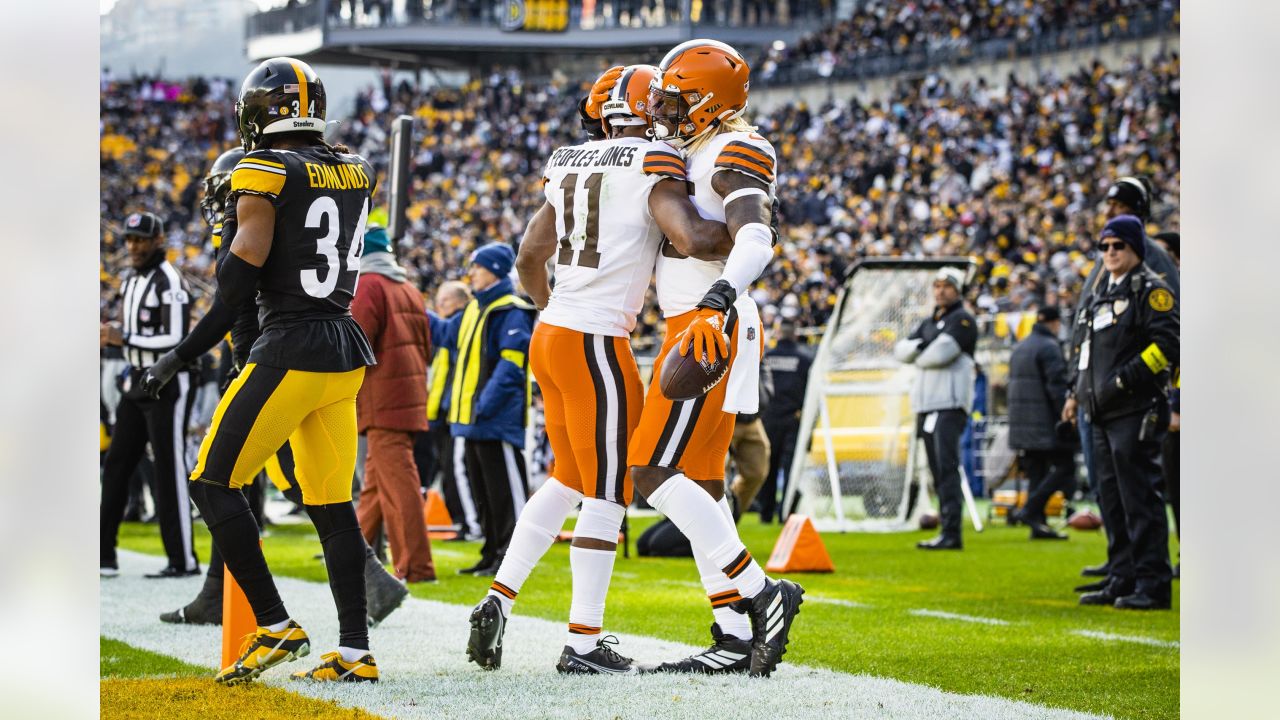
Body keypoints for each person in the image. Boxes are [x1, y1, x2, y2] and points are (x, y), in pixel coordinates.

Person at [465, 64, 734, 675]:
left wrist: (555, 306)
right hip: (594, 342)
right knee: (609, 490)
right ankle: (583, 641)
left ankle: (497, 598)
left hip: (553, 330)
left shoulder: (568, 161)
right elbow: (690, 238)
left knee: (565, 478)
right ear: (646, 109)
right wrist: (750, 229)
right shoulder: (651, 161)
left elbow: (531, 255)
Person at [145, 148, 408, 628]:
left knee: (239, 482)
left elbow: (231, 300)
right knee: (296, 491)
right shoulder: (301, 207)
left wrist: (175, 358)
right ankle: (346, 622)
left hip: (277, 365)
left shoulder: (262, 220)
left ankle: (282, 618)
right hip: (309, 357)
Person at [186, 57, 380, 684]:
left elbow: (242, 278)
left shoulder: (264, 166)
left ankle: (273, 625)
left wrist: (181, 353)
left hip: (292, 346)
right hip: (343, 349)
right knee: (331, 504)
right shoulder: (355, 166)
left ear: (255, 112)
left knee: (212, 482)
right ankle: (356, 652)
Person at [630, 40, 804, 678]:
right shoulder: (697, 148)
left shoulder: (736, 148)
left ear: (707, 102)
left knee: (649, 469)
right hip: (699, 317)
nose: (666, 110)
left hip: (710, 321)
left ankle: (762, 594)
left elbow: (756, 233)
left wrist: (719, 299)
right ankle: (732, 635)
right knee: (701, 483)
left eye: (677, 99)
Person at [1068, 176, 1179, 583]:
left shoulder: (1152, 266)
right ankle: (1122, 569)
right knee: (1109, 490)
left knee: (1137, 492)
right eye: (1106, 245)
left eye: (1120, 203)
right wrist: (1075, 389)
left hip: (1130, 402)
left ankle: (1146, 575)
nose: (1110, 209)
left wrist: (1124, 382)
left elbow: (1169, 338)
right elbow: (1088, 336)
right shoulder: (1107, 272)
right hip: (1096, 399)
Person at [99, 211, 199, 579]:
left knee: (169, 468)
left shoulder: (170, 280)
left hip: (168, 380)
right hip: (135, 380)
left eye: (140, 239)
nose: (133, 246)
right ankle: (103, 553)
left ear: (158, 241)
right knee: (117, 464)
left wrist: (120, 336)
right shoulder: (130, 280)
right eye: (129, 239)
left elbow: (175, 338)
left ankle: (183, 560)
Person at [351, 224, 436, 583]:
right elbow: (426, 347)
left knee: (399, 484)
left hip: (381, 398)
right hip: (408, 395)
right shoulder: (409, 288)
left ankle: (415, 567)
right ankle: (351, 556)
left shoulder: (368, 285)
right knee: (374, 486)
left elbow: (356, 342)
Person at [447, 243, 536, 577]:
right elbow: (445, 334)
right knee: (483, 491)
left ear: (496, 270)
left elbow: (511, 365)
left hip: (496, 419)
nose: (471, 272)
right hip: (474, 418)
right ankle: (490, 553)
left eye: (478, 266)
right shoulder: (475, 308)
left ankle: (510, 559)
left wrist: (484, 404)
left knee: (505, 493)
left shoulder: (510, 309)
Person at [893, 266, 978, 550]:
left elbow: (938, 355)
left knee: (948, 467)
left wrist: (919, 348)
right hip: (927, 405)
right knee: (936, 470)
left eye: (947, 286)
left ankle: (953, 532)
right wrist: (922, 348)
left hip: (950, 404)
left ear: (958, 290)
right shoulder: (930, 321)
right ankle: (946, 529)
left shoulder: (963, 319)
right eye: (937, 286)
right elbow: (901, 350)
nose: (941, 290)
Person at [1007, 306, 1074, 540]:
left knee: (1037, 472)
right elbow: (1056, 388)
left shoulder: (1021, 346)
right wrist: (1067, 416)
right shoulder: (1050, 347)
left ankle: (1038, 525)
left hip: (1022, 423)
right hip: (1044, 423)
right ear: (1055, 323)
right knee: (1066, 468)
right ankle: (1030, 510)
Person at [424, 280, 480, 540]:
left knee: (459, 470)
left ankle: (471, 524)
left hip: (457, 409)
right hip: (443, 411)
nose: (440, 305)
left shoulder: (462, 323)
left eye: (445, 301)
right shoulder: (456, 325)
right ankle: (463, 521)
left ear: (460, 301)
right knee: (448, 471)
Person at [758, 318, 813, 522]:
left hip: (768, 418)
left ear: (779, 333)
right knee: (791, 468)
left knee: (768, 468)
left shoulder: (767, 357)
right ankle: (786, 513)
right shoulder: (805, 359)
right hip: (794, 419)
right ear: (796, 333)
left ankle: (765, 514)